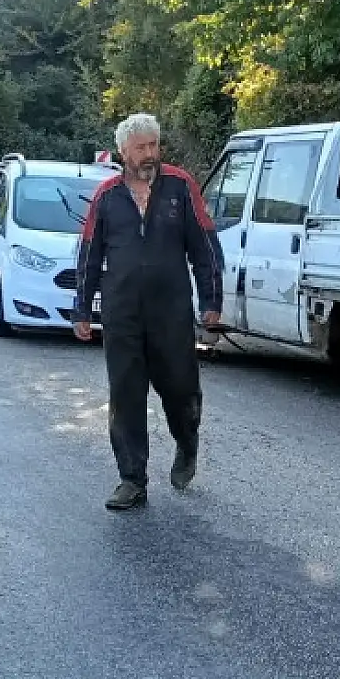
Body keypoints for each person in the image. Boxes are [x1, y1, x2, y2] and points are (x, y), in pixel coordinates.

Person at [72, 112, 224, 512]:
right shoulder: (106, 196)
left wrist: (212, 303)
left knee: (180, 391)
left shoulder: (180, 186)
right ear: (123, 152)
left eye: (154, 145)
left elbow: (205, 247)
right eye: (141, 147)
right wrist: (82, 310)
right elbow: (89, 255)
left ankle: (186, 442)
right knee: (126, 396)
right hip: (121, 315)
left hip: (170, 313)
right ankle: (132, 480)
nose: (149, 154)